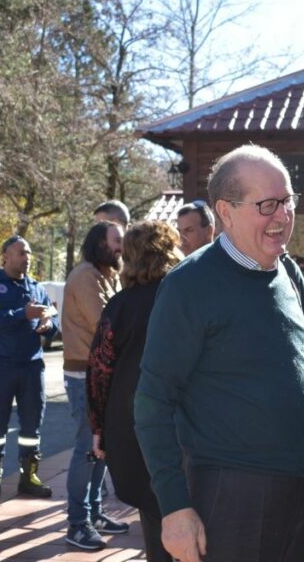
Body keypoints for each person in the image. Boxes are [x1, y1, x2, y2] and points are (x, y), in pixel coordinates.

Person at [135, 144, 304, 562]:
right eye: (268, 205)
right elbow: (153, 401)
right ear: (225, 212)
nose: (283, 217)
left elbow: (302, 367)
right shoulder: (189, 285)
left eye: (288, 201)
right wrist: (174, 507)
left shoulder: (289, 274)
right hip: (231, 495)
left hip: (301, 488)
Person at [87, 221, 183, 562]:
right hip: (186, 426)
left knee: (155, 517)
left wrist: (98, 427)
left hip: (133, 427)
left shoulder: (120, 306)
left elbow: (99, 372)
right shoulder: (189, 300)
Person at [0, 235, 59, 502]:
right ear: (6, 257)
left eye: (29, 252)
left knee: (32, 425)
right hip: (2, 366)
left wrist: (49, 327)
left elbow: (52, 321)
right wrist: (24, 314)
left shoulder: (37, 288)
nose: (27, 257)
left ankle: (29, 476)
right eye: (21, 253)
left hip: (32, 366)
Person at [61, 221, 129, 550]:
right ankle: (77, 523)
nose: (121, 246)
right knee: (88, 449)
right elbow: (105, 322)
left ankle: (95, 511)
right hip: (83, 377)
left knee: (101, 448)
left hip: (101, 376)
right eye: (117, 240)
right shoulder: (86, 276)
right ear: (99, 243)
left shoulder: (107, 274)